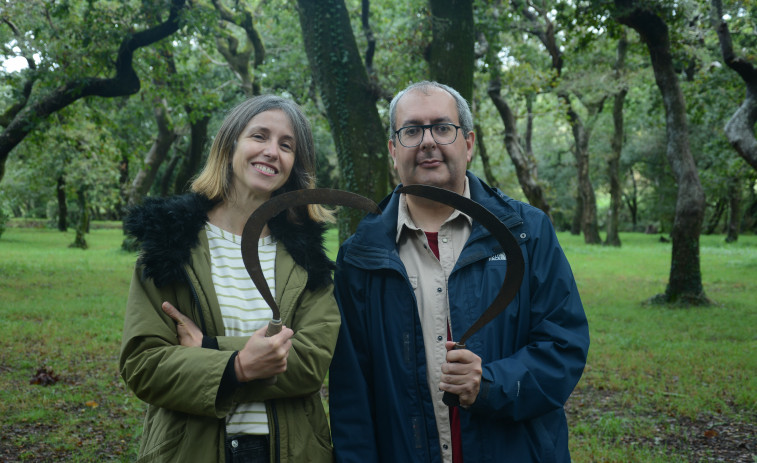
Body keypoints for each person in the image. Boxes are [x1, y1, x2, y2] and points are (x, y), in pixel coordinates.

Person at [329, 81, 590, 463]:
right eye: (412, 130)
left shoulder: (526, 233)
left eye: (442, 127)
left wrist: (489, 384)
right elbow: (352, 393)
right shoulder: (361, 256)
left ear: (467, 143)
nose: (428, 141)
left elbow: (564, 346)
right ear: (393, 150)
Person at [120, 95, 339, 463]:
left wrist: (208, 348)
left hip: (293, 451)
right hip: (190, 449)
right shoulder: (170, 244)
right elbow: (144, 364)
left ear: (295, 165)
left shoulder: (308, 258)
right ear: (230, 144)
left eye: (286, 145)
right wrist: (239, 365)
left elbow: (312, 363)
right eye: (259, 136)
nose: (272, 151)